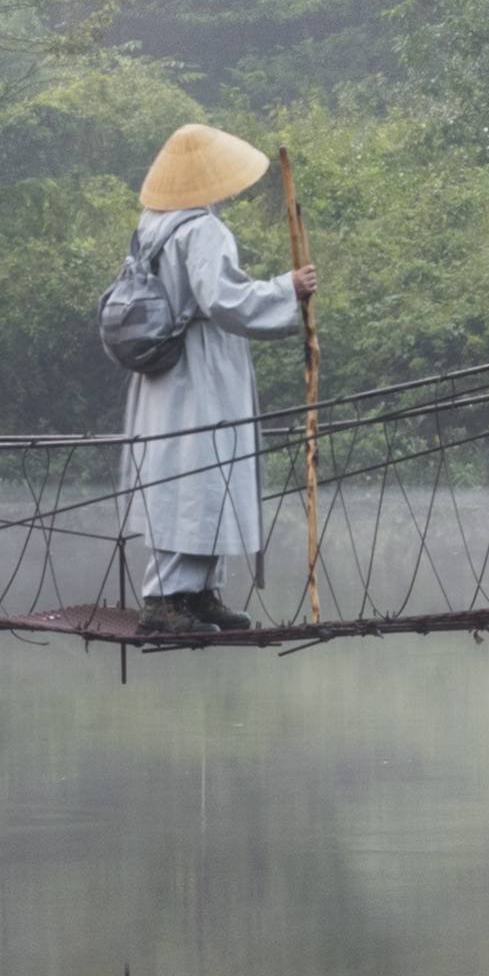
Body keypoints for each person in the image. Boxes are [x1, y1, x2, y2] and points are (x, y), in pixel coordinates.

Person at [112, 121, 310, 638]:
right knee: (200, 474)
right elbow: (224, 300)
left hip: (164, 375)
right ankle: (163, 600)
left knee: (193, 475)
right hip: (198, 372)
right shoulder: (202, 230)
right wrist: (288, 289)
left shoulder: (152, 226)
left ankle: (198, 593)